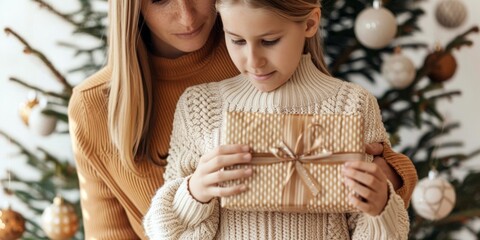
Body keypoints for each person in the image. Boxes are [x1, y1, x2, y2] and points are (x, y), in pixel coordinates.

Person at [68, 0, 416, 239]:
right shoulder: (101, 106)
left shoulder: (253, 29)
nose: (187, 17)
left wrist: (388, 178)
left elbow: (382, 183)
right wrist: (193, 193)